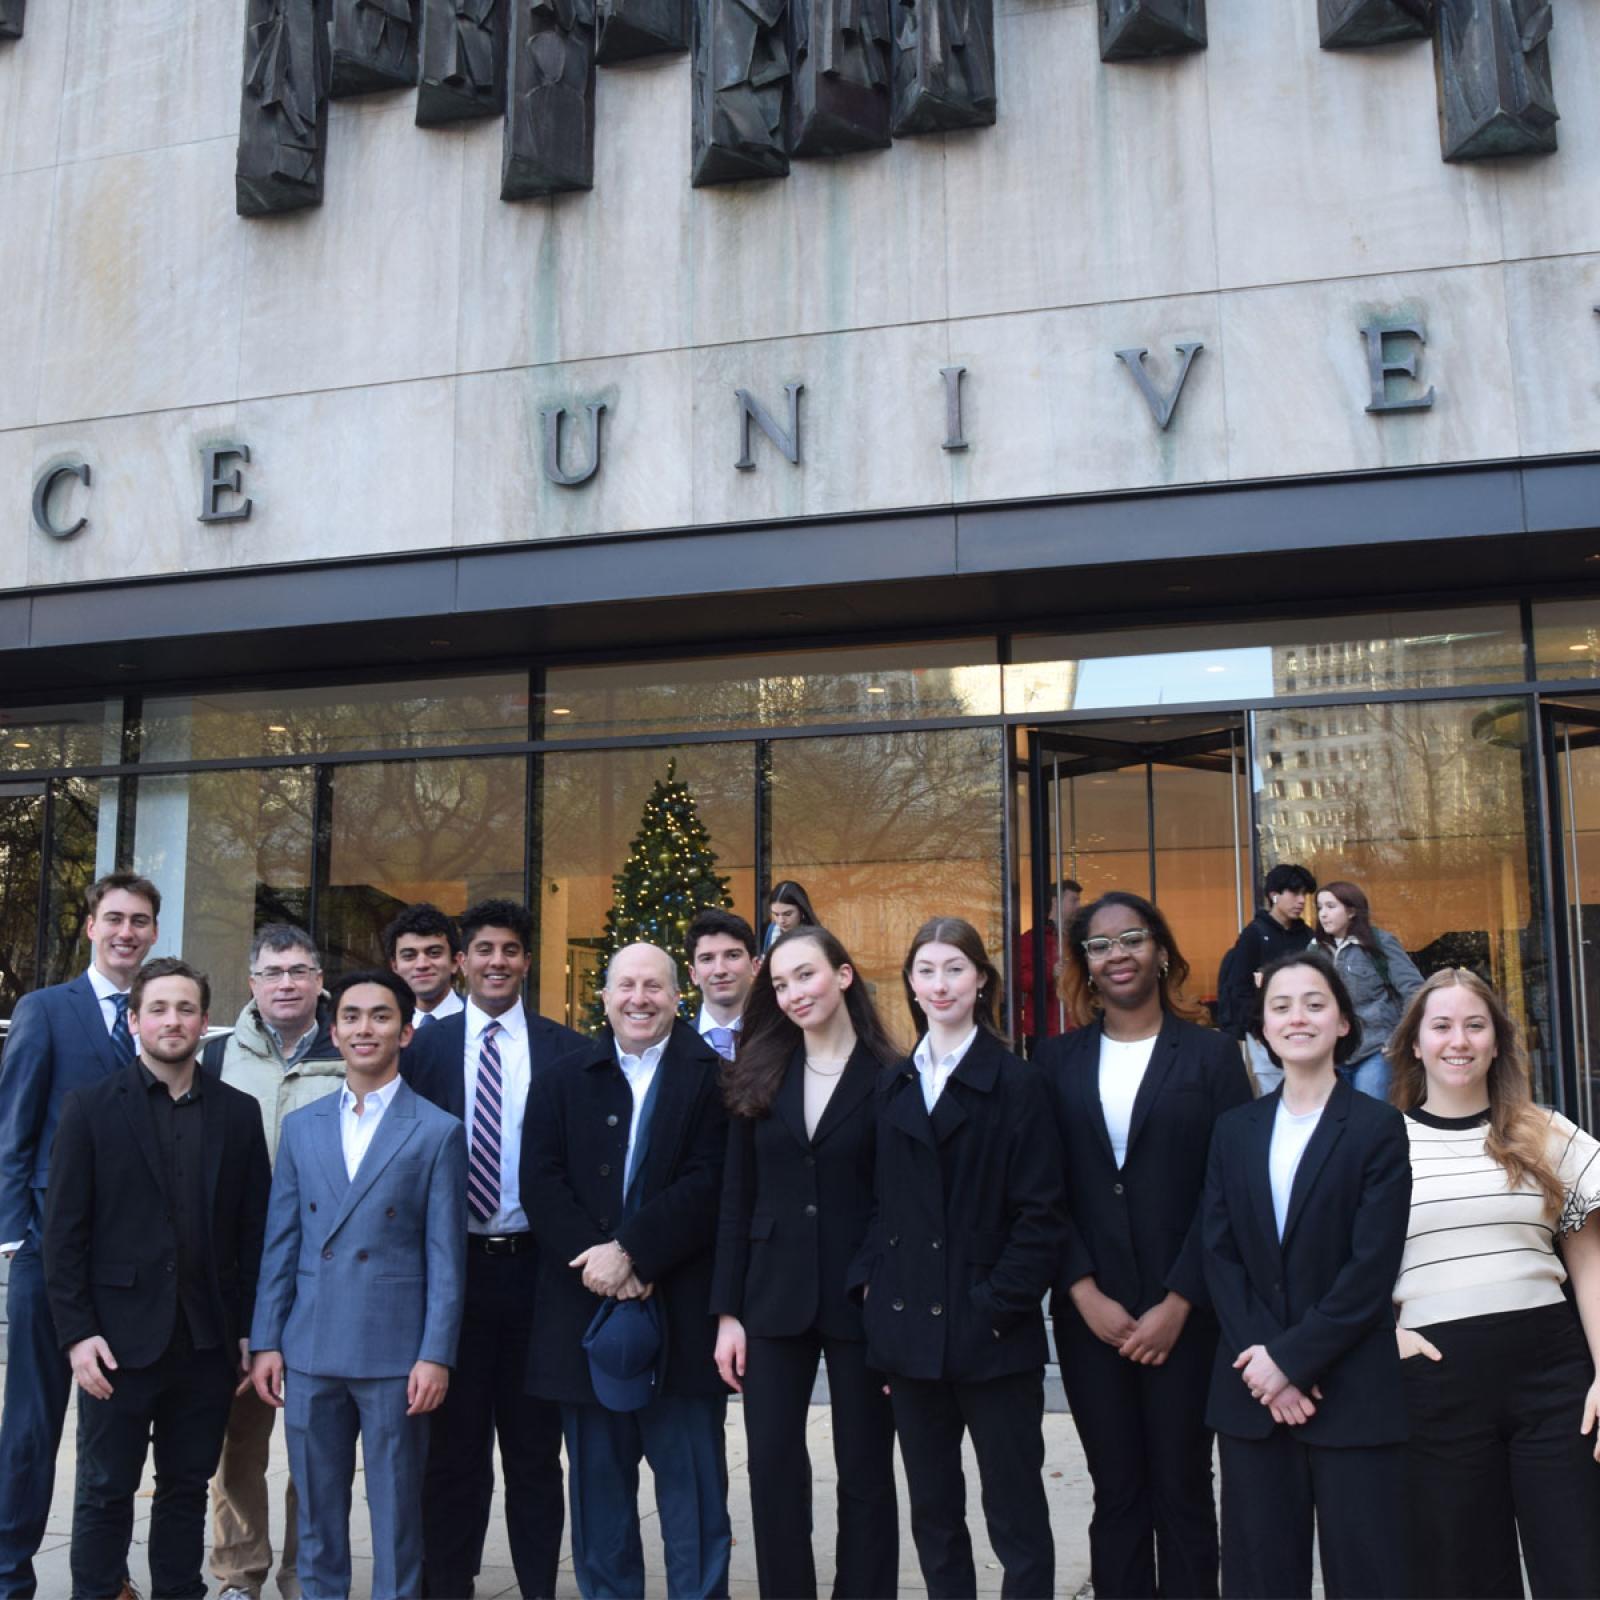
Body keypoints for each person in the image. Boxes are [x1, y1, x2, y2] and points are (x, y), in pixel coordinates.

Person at [1040, 891, 1251, 1600]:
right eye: (1100, 946)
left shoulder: (1214, 1056)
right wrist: (1081, 1290)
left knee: (1185, 1488)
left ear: (1162, 951)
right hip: (1089, 1314)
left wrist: (1180, 1299)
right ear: (1086, 967)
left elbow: (1229, 1189)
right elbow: (1041, 1191)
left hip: (1186, 1316)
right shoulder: (1054, 1062)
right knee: (1118, 1491)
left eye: (1132, 939)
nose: (1117, 954)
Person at [850, 917, 1065, 1599]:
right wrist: (874, 1299)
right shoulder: (892, 1085)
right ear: (910, 985)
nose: (938, 985)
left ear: (981, 982)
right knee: (935, 1517)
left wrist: (996, 1307)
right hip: (910, 1336)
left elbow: (1042, 1215)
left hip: (992, 1338)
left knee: (1015, 1516)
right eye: (925, 971)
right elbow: (878, 1207)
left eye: (953, 969)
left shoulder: (1018, 1084)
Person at [43, 958, 271, 1600]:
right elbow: (64, 1235)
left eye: (187, 1009)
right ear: (136, 1019)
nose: (174, 1020)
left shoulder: (238, 1113)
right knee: (104, 1488)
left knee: (187, 1488)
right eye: (160, 1009)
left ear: (205, 1021)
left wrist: (251, 1330)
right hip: (115, 1341)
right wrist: (77, 1335)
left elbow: (255, 1235)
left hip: (206, 1343)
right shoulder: (88, 1110)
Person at [522, 943, 732, 1600]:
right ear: (604, 996)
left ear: (678, 996)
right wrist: (600, 1262)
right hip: (584, 1314)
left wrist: (634, 1253)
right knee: (599, 1503)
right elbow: (540, 1182)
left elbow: (712, 1182)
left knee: (693, 1497)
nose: (639, 998)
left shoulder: (715, 1078)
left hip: (683, 1317)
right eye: (625, 986)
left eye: (654, 986)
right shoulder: (561, 1077)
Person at [249, 969, 467, 1600]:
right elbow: (280, 1241)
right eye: (350, 1016)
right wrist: (267, 1338)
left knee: (398, 1515)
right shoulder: (304, 1126)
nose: (363, 1028)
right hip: (311, 1343)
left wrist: (435, 1354)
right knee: (317, 1515)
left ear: (404, 1030)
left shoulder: (436, 1130)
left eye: (379, 1016)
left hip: (396, 1353)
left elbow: (447, 1258)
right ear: (334, 1030)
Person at [1201, 948, 1411, 1600]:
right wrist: (1269, 1368)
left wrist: (1292, 1359)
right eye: (1282, 1007)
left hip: (1352, 1391)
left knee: (1369, 1578)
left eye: (1315, 1004)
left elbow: (1370, 1267)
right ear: (1262, 1026)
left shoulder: (1379, 1128)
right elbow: (1219, 1252)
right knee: (1260, 1580)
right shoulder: (1234, 1129)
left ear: (1344, 1023)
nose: (1299, 1019)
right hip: (1253, 1393)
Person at [1388, 968, 1600, 1598]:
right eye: (1443, 1025)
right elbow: (1340, 1265)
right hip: (1435, 1384)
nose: (1460, 1040)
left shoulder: (1546, 1132)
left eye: (1476, 1025)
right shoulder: (1377, 1144)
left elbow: (1589, 1263)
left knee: (1579, 1567)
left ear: (1499, 1042)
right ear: (1415, 1043)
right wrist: (1384, 1334)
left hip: (1553, 1382)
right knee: (1462, 1578)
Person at [401, 898, 585, 1600]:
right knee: (452, 1453)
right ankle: (449, 1585)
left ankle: (538, 1585)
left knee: (536, 1452)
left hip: (538, 1274)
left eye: (510, 949)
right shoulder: (425, 1052)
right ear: (461, 961)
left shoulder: (565, 1050)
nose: (497, 961)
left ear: (527, 961)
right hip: (453, 1276)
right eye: (483, 949)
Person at [711, 924, 900, 1599]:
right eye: (782, 983)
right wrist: (728, 1311)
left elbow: (898, 1200)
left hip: (861, 1301)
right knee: (773, 1468)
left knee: (867, 1471)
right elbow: (737, 1196)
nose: (793, 993)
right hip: (771, 1296)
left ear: (843, 976)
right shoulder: (756, 1068)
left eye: (806, 976)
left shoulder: (891, 1077)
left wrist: (882, 1286)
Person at [0, 869, 160, 1598]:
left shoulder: (160, 1017)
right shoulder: (45, 1010)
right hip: (46, 1250)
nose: (127, 931)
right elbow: (14, 1130)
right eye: (115, 918)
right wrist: (12, 1241)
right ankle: (8, 1570)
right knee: (33, 1428)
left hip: (127, 1267)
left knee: (114, 1437)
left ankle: (105, 1573)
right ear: (92, 925)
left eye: (140, 921)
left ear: (154, 932)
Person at [203, 924, 345, 1600]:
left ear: (320, 979)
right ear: (251, 983)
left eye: (298, 970)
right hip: (239, 1273)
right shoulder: (215, 1057)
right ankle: (238, 1572)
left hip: (328, 1274)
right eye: (271, 972)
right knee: (238, 1438)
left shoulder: (351, 1050)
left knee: (319, 1439)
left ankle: (305, 1573)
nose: (285, 983)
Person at [1313, 881, 1422, 1102]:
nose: (1323, 914)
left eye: (1331, 906)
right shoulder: (1315, 949)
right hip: (1331, 1053)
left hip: (1376, 1050)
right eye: (1320, 907)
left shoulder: (1380, 943)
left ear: (1351, 911)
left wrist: (1397, 1039)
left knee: (1369, 1118)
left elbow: (1415, 991)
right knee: (1335, 1120)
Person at [1219, 864, 1317, 1096]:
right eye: (1295, 893)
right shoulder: (1254, 934)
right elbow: (1239, 986)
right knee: (1273, 1094)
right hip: (1264, 1030)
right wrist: (1257, 1029)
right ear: (1274, 895)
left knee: (1309, 1088)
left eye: (1304, 894)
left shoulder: (1308, 936)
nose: (1302, 901)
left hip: (1304, 1026)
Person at [1017, 878, 1081, 1054]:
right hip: (1043, 1029)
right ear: (1055, 901)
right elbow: (1022, 981)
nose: (1078, 906)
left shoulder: (1077, 939)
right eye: (1073, 900)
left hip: (1075, 1027)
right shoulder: (1031, 939)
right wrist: (1050, 972)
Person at [685, 908, 759, 1061]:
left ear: (755, 966)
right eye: (707, 959)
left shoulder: (781, 1040)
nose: (720, 970)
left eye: (732, 955)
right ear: (693, 974)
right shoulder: (673, 1046)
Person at [384, 902, 464, 1031]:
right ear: (394, 966)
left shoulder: (481, 1023)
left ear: (455, 962)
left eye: (434, 953)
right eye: (409, 955)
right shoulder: (384, 1027)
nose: (422, 965)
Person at [763, 881, 819, 952]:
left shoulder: (815, 938)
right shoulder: (772, 929)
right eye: (776, 914)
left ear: (802, 911)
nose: (781, 921)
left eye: (787, 914)